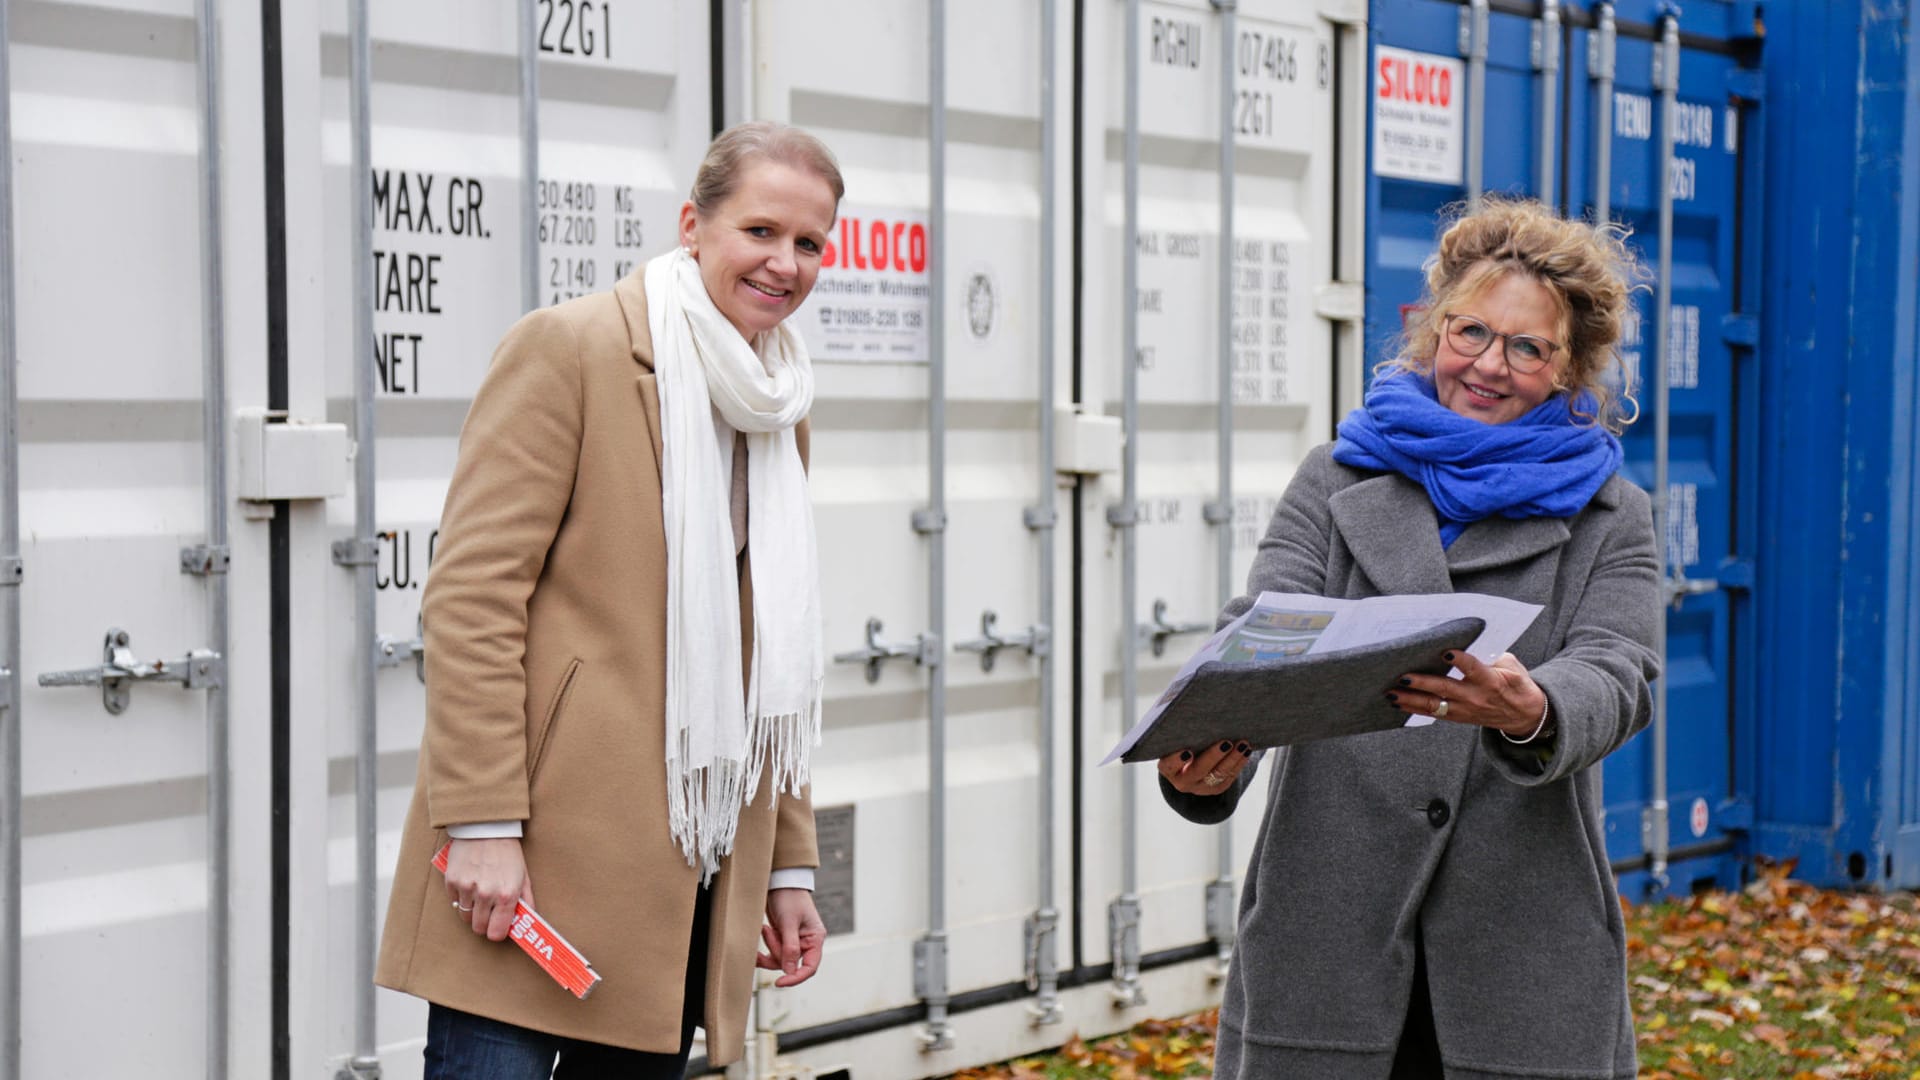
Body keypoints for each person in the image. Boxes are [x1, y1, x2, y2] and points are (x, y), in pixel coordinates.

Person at [375, 121, 842, 1079]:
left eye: (809, 243)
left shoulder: (778, 406)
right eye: (760, 230)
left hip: (678, 888)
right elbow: (471, 601)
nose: (783, 263)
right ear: (693, 226)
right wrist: (480, 825)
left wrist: (785, 867)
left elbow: (772, 660)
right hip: (531, 870)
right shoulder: (573, 350)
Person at [1160, 197, 1661, 1079]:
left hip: (1523, 944)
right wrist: (1209, 756)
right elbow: (1260, 632)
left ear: (1571, 371)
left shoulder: (1613, 516)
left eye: (1527, 347)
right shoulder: (1336, 477)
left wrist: (1533, 710)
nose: (1488, 365)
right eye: (1470, 331)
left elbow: (1621, 671)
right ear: (1432, 330)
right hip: (1327, 932)